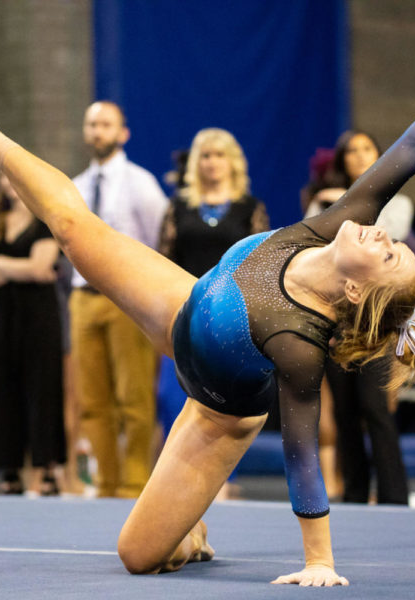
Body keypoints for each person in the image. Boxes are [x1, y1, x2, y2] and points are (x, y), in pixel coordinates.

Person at [0, 15, 415, 584]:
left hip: (215, 410)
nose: (381, 234)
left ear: (355, 289)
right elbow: (414, 146)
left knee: (138, 557)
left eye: (385, 254)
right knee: (77, 231)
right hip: (187, 309)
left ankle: (190, 528)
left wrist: (319, 561)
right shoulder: (338, 220)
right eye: (392, 239)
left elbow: (301, 452)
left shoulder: (298, 346)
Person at [156, 129, 269, 490]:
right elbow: (163, 259)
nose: (212, 162)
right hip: (182, 306)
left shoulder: (249, 208)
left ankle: (218, 477)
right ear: (196, 163)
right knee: (170, 394)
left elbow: (259, 262)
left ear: (232, 162)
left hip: (228, 314)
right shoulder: (177, 207)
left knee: (221, 396)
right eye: (205, 155)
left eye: (219, 155)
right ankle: (175, 477)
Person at [68, 101, 169, 498]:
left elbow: (161, 240)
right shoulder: (76, 185)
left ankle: (134, 484)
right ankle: (107, 484)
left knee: (134, 398)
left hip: (126, 300)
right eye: (92, 124)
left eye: (105, 124)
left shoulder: (140, 183)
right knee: (93, 402)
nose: (97, 131)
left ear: (122, 133)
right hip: (82, 298)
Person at [0, 172, 66, 495]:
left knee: (42, 392)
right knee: (2, 391)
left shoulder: (45, 220)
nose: (10, 182)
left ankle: (44, 469)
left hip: (40, 318)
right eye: (4, 176)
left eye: (16, 175)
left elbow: (42, 269)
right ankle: (9, 469)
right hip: (3, 317)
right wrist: (18, 267)